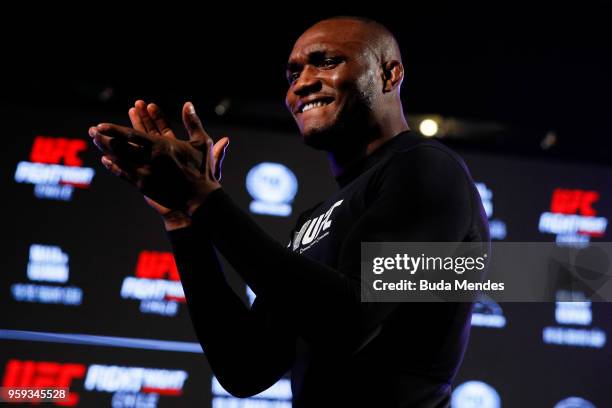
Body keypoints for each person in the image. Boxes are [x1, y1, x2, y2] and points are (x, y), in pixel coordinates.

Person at [89, 16, 489, 408]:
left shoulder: (428, 167)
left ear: (390, 74)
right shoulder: (315, 219)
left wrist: (204, 199)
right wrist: (184, 221)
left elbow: (349, 319)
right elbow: (245, 367)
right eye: (293, 73)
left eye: (327, 62)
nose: (303, 81)